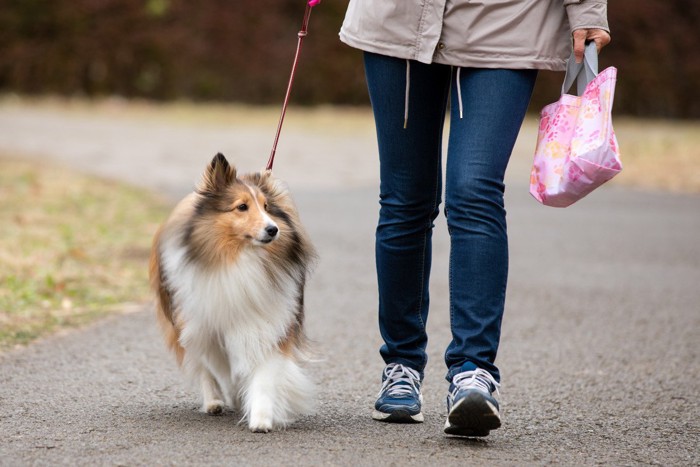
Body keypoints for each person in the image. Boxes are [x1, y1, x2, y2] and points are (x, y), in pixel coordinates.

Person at [337, 0, 611, 436]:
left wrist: (588, 12)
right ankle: (402, 365)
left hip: (506, 19)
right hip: (399, 18)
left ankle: (473, 373)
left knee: (474, 190)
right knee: (406, 198)